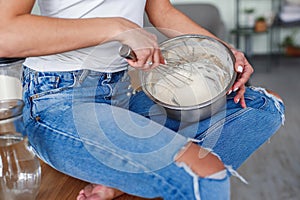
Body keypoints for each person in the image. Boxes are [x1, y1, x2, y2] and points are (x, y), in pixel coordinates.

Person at [0, 0, 285, 199]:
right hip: (58, 100)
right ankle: (129, 172)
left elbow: (162, 11)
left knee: (265, 107)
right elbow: (6, 34)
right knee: (204, 172)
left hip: (120, 93)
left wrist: (225, 51)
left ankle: (123, 178)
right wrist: (116, 27)